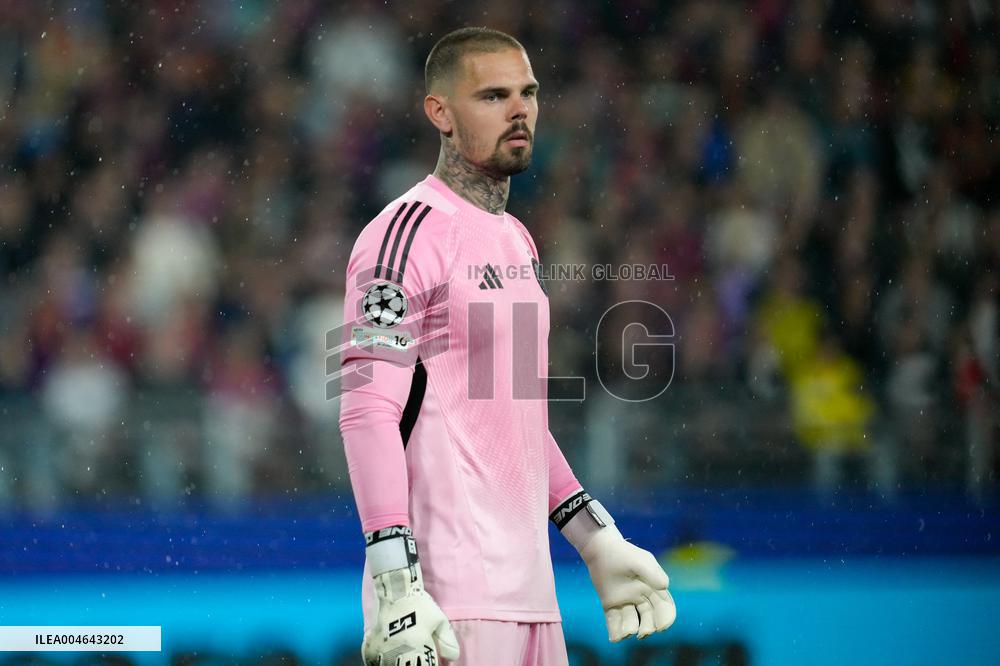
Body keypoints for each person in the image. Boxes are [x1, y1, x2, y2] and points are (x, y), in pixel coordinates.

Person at [337, 27, 676, 666]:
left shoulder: (516, 241)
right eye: (493, 95)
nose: (519, 109)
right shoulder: (402, 235)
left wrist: (595, 538)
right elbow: (365, 408)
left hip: (533, 602)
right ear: (440, 112)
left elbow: (515, 421)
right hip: (447, 604)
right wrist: (395, 582)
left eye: (528, 92)